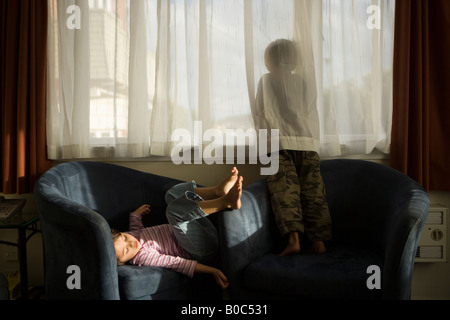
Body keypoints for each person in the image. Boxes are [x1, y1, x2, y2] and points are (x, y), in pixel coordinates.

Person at [252, 39, 332, 256]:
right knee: (313, 192)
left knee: (284, 192)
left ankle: (293, 239)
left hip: (277, 144)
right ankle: (318, 242)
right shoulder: (303, 81)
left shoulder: (266, 80)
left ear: (269, 61)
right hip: (307, 142)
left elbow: (260, 112)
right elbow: (309, 109)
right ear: (295, 60)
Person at [112, 167, 243, 289]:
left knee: (171, 194)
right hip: (201, 250)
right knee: (173, 213)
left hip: (203, 231)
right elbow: (177, 263)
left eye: (124, 237)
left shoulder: (133, 235)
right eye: (126, 250)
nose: (130, 243)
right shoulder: (143, 257)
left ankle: (217, 192)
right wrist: (212, 270)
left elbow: (135, 226)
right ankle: (225, 202)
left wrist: (136, 214)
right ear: (124, 262)